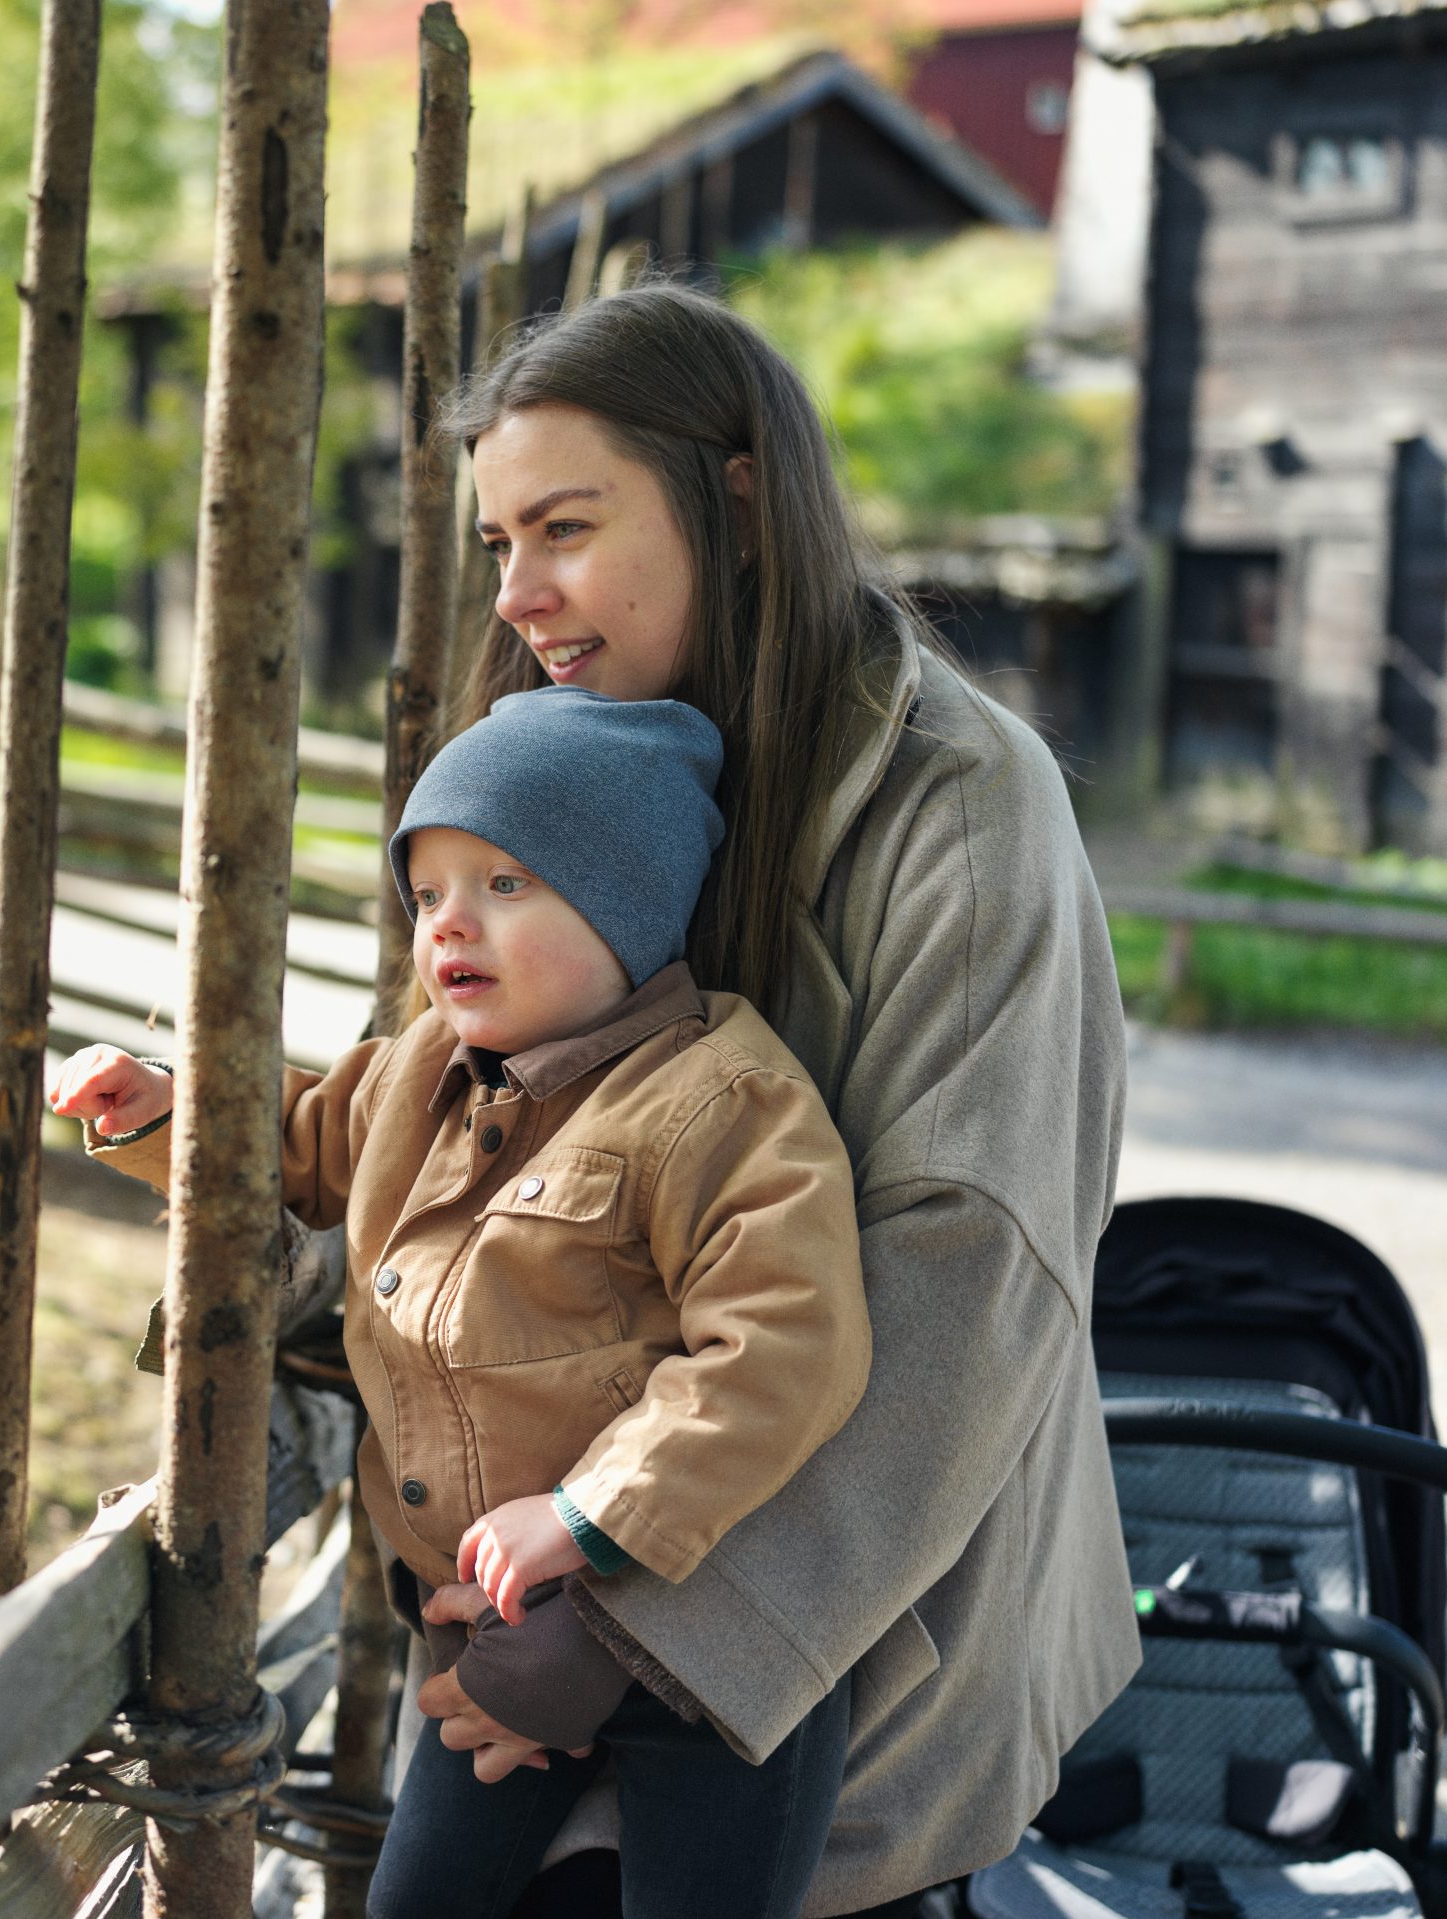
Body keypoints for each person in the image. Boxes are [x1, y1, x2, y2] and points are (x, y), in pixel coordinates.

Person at [404, 281, 1140, 1917]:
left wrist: (634, 1627)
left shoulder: (958, 797)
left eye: (566, 527)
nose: (517, 591)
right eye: (499, 541)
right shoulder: (542, 759)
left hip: (839, 1634)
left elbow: (970, 1272)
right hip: (533, 1606)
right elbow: (435, 1121)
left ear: (735, 497)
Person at [52, 683, 873, 1919]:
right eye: (427, 892)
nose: (450, 922)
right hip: (483, 1632)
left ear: (628, 898)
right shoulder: (422, 1072)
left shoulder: (719, 1100)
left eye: (504, 882)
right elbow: (298, 1135)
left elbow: (784, 1344)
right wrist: (168, 1109)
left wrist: (591, 1515)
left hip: (697, 1649)